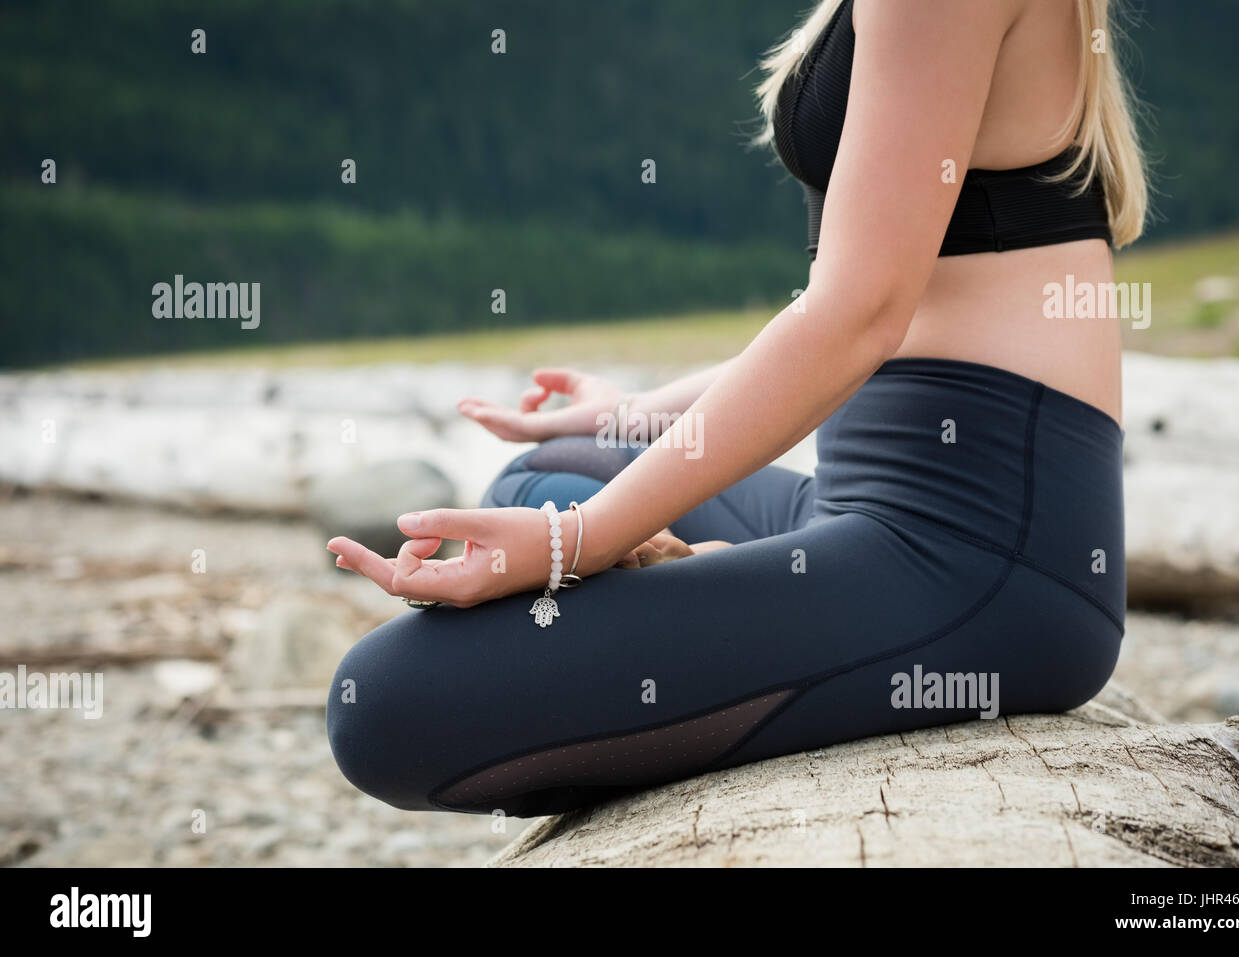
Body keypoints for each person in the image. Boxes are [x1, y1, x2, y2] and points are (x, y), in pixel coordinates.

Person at [326, 0, 1148, 817]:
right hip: (851, 503)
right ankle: (706, 594)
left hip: (982, 560)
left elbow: (857, 317)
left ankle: (703, 614)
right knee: (541, 475)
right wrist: (633, 415)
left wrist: (577, 541)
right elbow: (847, 307)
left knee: (378, 704)